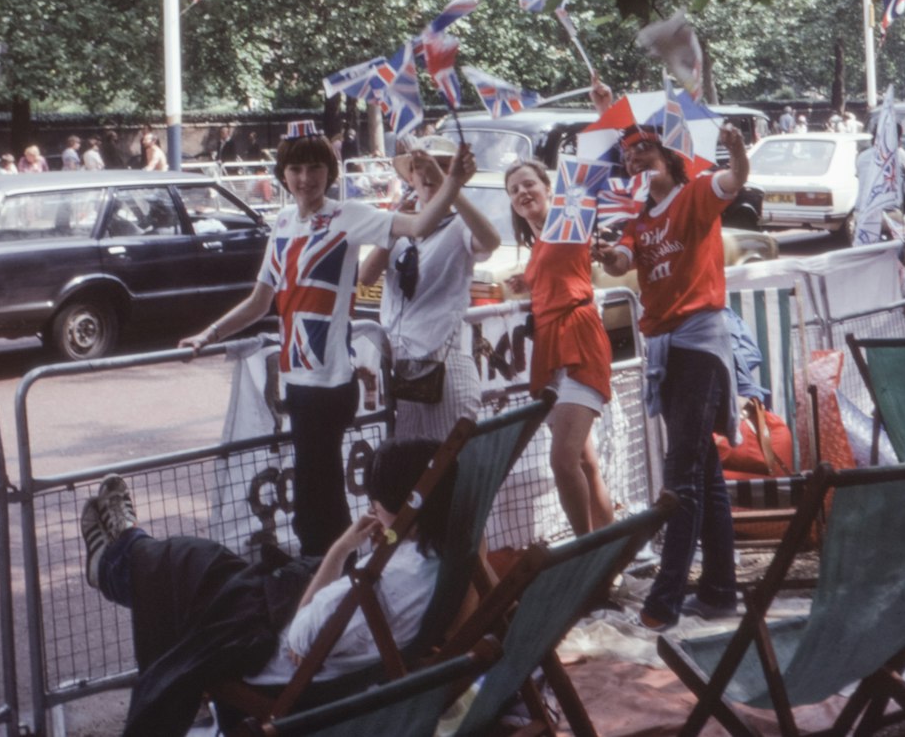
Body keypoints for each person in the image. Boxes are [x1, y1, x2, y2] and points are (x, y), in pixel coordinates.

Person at [180, 129, 476, 559]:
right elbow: (260, 300)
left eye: (315, 167)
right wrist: (209, 335)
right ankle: (335, 576)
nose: (305, 177)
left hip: (331, 381)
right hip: (297, 380)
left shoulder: (349, 215)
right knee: (314, 495)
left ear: (330, 172)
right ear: (283, 174)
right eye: (296, 168)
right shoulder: (282, 223)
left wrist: (452, 184)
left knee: (317, 502)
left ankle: (334, 580)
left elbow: (418, 224)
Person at [79, 436, 456, 737]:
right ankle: (124, 546)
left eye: (376, 503)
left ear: (407, 506)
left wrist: (341, 549)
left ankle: (117, 557)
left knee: (184, 562)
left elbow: (298, 639)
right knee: (205, 562)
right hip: (311, 641)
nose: (372, 510)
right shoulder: (439, 559)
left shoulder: (378, 586)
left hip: (270, 656)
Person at [594, 79, 750, 632]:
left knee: (680, 473)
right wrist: (606, 250)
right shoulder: (638, 217)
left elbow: (734, 181)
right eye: (630, 150)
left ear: (670, 154)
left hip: (699, 344)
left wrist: (736, 150)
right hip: (665, 346)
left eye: (647, 149)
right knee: (703, 472)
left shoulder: (696, 193)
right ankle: (719, 591)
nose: (637, 157)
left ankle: (663, 602)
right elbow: (619, 263)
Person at [502, 157, 614, 538]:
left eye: (529, 183)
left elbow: (589, 173)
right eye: (514, 190)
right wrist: (528, 279)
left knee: (563, 460)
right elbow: (555, 271)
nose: (522, 193)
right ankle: (609, 554)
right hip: (551, 350)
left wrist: (602, 110)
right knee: (584, 461)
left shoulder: (569, 221)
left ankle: (583, 554)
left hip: (578, 341)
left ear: (549, 188)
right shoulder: (537, 244)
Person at [359, 137, 501, 437]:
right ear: (409, 176)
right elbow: (366, 276)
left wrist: (451, 188)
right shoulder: (401, 225)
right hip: (403, 363)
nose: (428, 174)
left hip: (443, 359)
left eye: (441, 166)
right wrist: (397, 227)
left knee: (445, 459)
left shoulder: (460, 225)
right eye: (419, 167)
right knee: (412, 459)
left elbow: (490, 241)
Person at [853, 125, 905, 242]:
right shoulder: (902, 156)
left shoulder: (862, 156)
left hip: (861, 214)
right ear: (898, 139)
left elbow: (862, 180)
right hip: (889, 215)